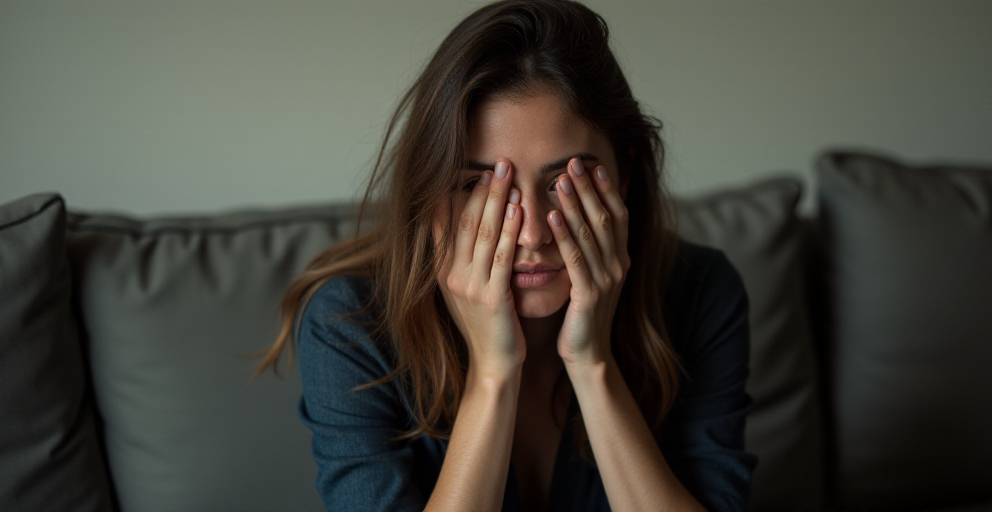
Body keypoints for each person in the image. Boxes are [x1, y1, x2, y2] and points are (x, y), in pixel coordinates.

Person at [257, 1, 756, 510]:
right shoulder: (350, 322)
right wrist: (493, 375)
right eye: (480, 186)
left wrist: (592, 364)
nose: (533, 234)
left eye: (565, 182)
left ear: (622, 179)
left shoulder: (701, 293)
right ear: (429, 194)